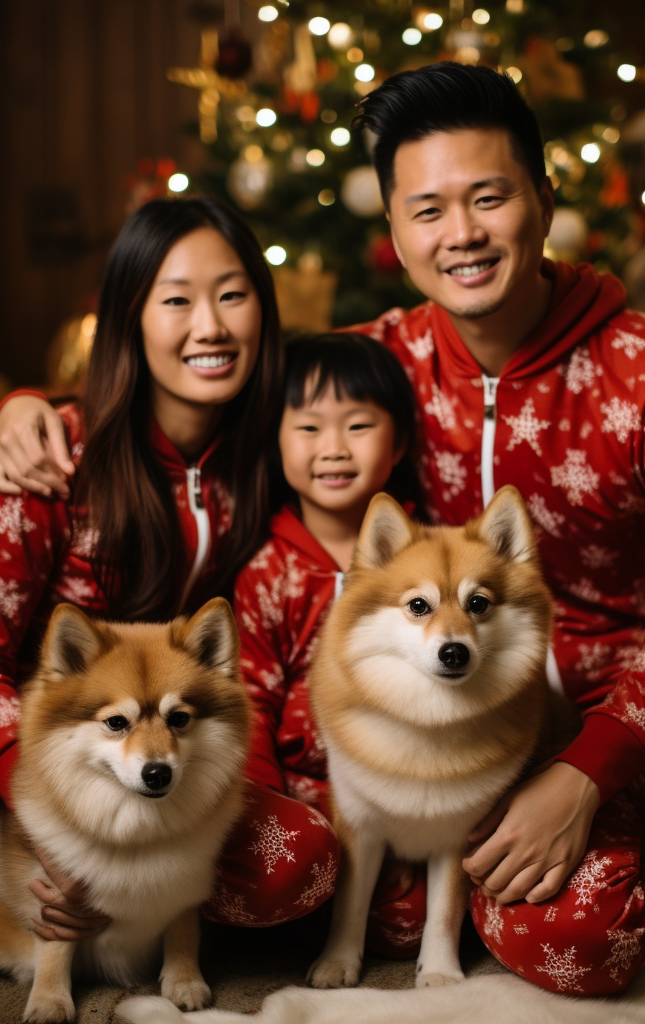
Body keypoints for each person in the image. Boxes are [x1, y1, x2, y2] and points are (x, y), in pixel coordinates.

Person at [0, 64, 645, 994]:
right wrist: (33, 404)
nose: (461, 235)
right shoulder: (379, 363)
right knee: (578, 944)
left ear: (543, 194)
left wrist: (584, 774)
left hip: (637, 724)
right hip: (457, 747)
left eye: (488, 197)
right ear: (396, 232)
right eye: (427, 210)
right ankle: (591, 873)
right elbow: (211, 378)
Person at [0, 196, 338, 938]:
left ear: (263, 313)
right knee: (57, 822)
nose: (210, 325)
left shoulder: (282, 451)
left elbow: (377, 367)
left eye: (233, 295)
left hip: (164, 740)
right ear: (128, 318)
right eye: (176, 300)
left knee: (292, 860)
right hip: (7, 728)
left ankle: (97, 890)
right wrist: (35, 788)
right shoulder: (52, 457)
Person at [231, 332, 428, 953]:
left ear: (396, 443)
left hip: (415, 787)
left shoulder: (430, 556)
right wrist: (267, 806)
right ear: (277, 440)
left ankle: (342, 905)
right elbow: (249, 701)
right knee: (279, 865)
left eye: (358, 426)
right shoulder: (269, 572)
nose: (334, 449)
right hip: (304, 790)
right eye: (309, 428)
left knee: (412, 918)